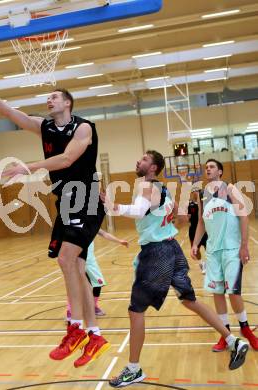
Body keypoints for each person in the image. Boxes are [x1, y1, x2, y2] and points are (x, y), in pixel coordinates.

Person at [0, 67, 109, 367]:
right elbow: (5, 110)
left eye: (54, 96)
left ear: (67, 103)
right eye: (48, 97)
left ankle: (76, 329)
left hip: (86, 197)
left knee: (67, 260)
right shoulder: (43, 127)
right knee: (77, 265)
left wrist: (26, 168)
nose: (49, 100)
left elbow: (67, 159)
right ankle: (93, 334)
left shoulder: (84, 128)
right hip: (66, 201)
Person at [101, 151, 249, 388]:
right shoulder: (164, 190)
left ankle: (133, 369)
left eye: (144, 159)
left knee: (135, 311)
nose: (138, 161)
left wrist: (112, 206)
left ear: (153, 168)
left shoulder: (147, 186)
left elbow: (139, 211)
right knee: (190, 300)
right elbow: (180, 219)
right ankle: (233, 341)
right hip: (173, 250)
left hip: (157, 253)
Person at [191, 159, 258, 352]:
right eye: (206, 167)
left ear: (220, 171)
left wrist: (244, 245)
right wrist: (195, 244)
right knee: (217, 292)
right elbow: (201, 222)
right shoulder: (203, 194)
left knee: (233, 292)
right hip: (213, 251)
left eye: (212, 167)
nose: (208, 169)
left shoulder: (229, 188)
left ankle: (246, 329)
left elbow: (243, 215)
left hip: (231, 249)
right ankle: (226, 334)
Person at [66, 228, 129, 320]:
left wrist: (119, 241)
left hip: (90, 261)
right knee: (75, 286)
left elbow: (104, 234)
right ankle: (70, 311)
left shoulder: (92, 224)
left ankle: (92, 306)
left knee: (97, 284)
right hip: (79, 260)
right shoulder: (74, 226)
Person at [187, 187, 207, 274]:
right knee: (195, 251)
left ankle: (211, 264)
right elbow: (187, 216)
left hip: (205, 230)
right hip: (193, 231)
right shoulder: (189, 205)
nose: (196, 193)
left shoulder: (204, 203)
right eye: (194, 191)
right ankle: (202, 263)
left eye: (197, 191)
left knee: (210, 249)